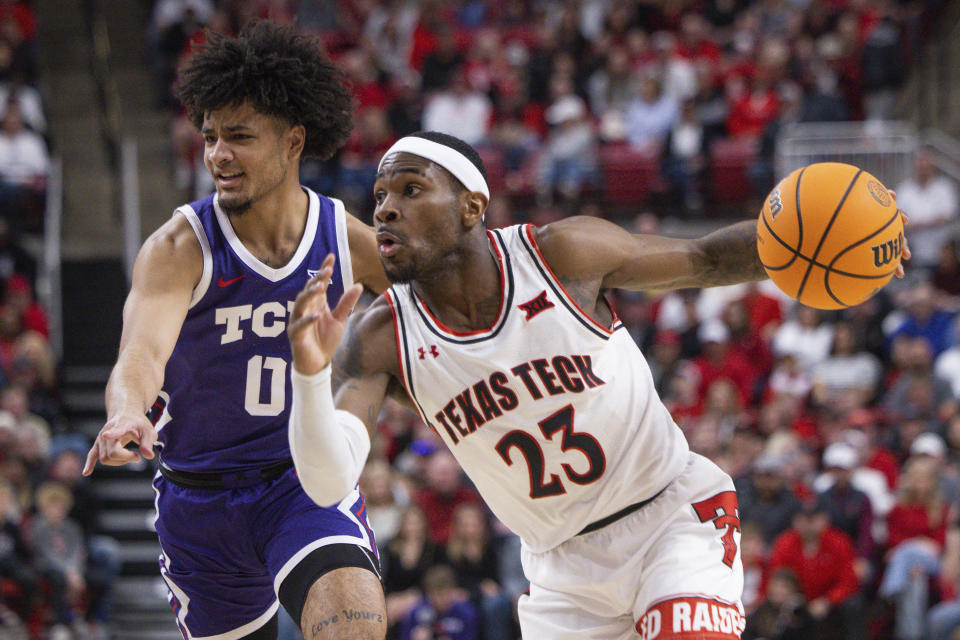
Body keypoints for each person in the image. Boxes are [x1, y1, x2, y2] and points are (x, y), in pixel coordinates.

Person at [283, 130, 857, 639]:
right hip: (563, 576)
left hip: (670, 518)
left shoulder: (559, 254)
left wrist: (829, 242)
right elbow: (328, 479)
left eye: (410, 190)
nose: (385, 209)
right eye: (380, 196)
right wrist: (309, 376)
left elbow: (704, 258)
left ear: (470, 207)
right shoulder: (380, 336)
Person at [81, 21, 389, 640]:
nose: (218, 154)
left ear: (293, 141)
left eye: (240, 137)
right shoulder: (179, 246)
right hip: (199, 503)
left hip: (299, 482)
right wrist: (124, 413)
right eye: (211, 136)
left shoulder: (346, 239)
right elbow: (140, 355)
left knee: (354, 626)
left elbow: (434, 314)